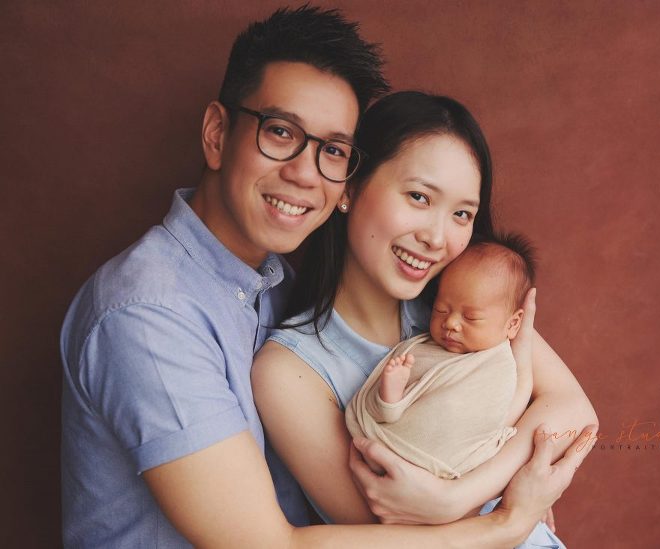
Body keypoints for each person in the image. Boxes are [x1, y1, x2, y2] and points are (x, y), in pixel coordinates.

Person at [60, 6, 595, 548]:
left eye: (332, 151)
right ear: (218, 134)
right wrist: (508, 517)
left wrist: (476, 494)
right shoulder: (149, 314)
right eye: (280, 131)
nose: (303, 171)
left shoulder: (287, 284)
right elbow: (273, 545)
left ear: (344, 176)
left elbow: (572, 410)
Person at [252, 91, 598, 544]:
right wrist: (516, 501)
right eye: (418, 196)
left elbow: (576, 413)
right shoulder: (290, 372)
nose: (437, 238)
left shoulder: (462, 312)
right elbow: (390, 530)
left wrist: (456, 497)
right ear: (350, 189)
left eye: (461, 214)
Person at [347, 236, 539, 483]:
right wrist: (390, 395)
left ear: (513, 323)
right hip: (389, 446)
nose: (450, 323)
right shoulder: (423, 351)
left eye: (471, 318)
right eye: (441, 310)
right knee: (390, 398)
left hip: (447, 470)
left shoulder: (499, 367)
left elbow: (500, 416)